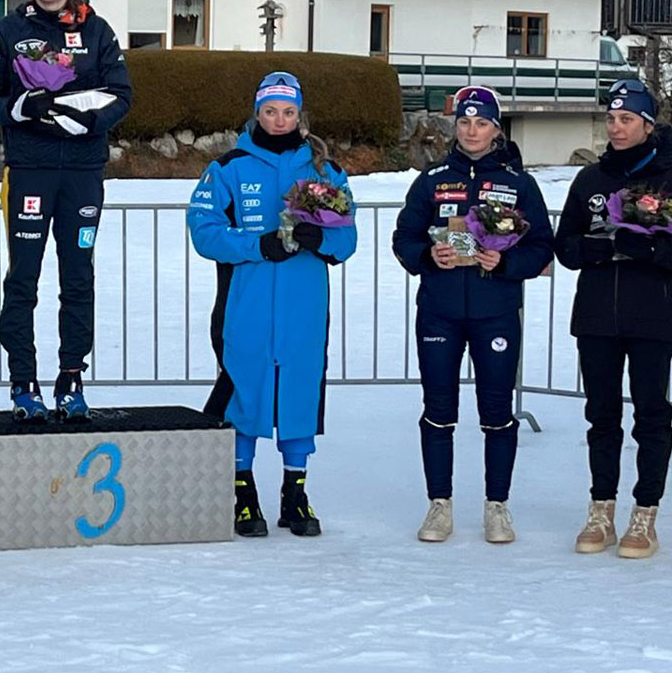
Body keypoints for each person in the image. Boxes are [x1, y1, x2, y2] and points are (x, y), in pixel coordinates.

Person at [188, 73, 357, 537]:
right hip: (247, 304)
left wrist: (319, 237)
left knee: (300, 392)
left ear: (300, 115)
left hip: (304, 307)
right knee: (246, 390)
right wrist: (258, 246)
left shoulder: (324, 170)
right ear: (256, 113)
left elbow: (347, 238)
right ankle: (242, 491)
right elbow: (203, 232)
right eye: (270, 111)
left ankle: (295, 492)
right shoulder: (229, 166)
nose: (279, 120)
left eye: (288, 112)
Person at [0, 0, 132, 422]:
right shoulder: (6, 30)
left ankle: (71, 377)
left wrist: (88, 117)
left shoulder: (98, 30)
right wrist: (23, 107)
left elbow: (121, 96)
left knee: (78, 277)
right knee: (22, 279)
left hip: (83, 172)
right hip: (29, 171)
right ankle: (23, 381)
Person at [554, 79, 672, 558]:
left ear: (647, 124)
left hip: (653, 317)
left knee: (651, 415)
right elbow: (566, 246)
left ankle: (645, 514)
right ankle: (601, 509)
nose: (616, 128)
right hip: (598, 317)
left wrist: (649, 247)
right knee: (601, 415)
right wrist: (599, 248)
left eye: (626, 120)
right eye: (611, 119)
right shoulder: (591, 180)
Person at [391, 87, 553, 544]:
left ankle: (497, 506)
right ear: (455, 126)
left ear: (496, 129)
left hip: (495, 312)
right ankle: (439, 504)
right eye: (465, 122)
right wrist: (427, 256)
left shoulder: (517, 182)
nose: (472, 131)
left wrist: (506, 264)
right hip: (440, 313)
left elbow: (543, 244)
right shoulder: (433, 178)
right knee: (439, 411)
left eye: (482, 123)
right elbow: (404, 237)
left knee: (497, 414)